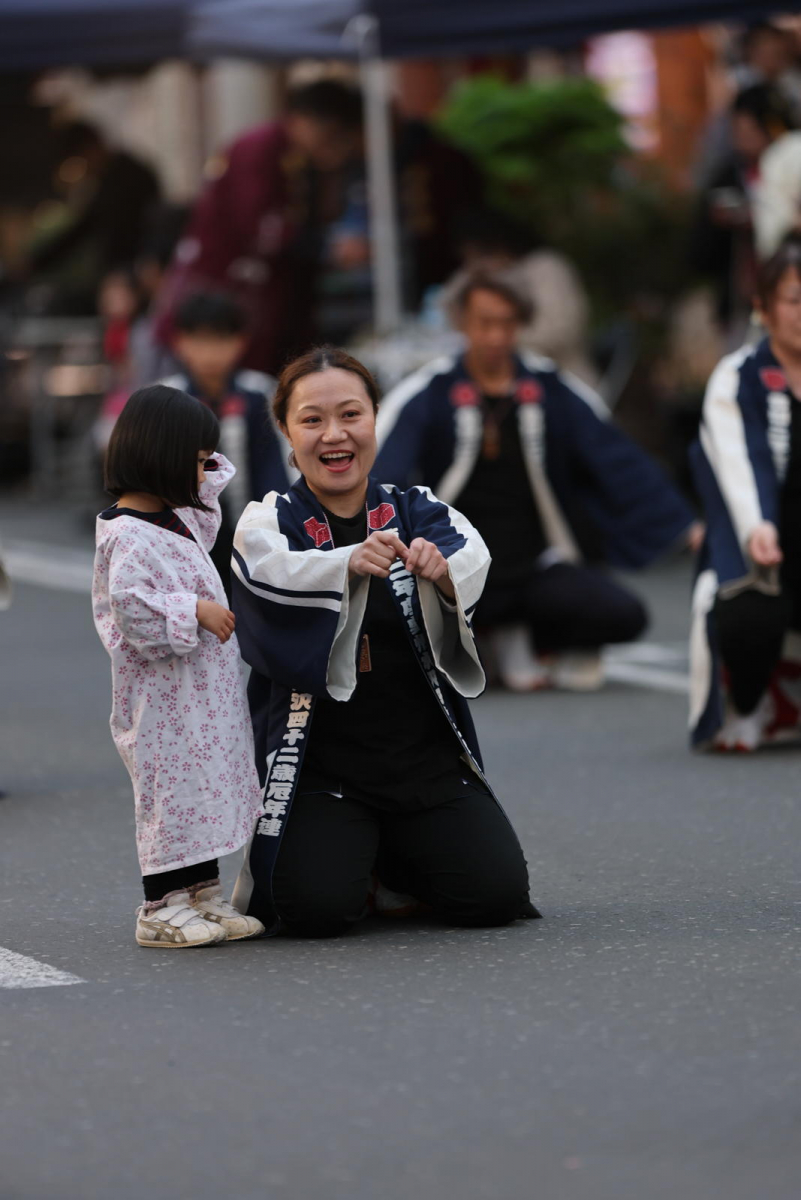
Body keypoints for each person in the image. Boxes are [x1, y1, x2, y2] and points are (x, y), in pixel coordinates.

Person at [229, 346, 537, 937]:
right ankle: (362, 858)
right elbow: (266, 580)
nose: (334, 435)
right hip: (323, 771)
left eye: (351, 414)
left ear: (375, 418)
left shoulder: (416, 508)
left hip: (421, 764)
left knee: (494, 897)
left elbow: (471, 553)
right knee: (312, 910)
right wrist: (346, 563)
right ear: (286, 433)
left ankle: (396, 856)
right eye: (312, 420)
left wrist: (441, 573)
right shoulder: (268, 521)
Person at [375, 266, 699, 692]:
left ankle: (521, 638)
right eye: (484, 323)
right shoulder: (429, 392)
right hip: (451, 567)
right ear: (461, 323)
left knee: (622, 612)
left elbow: (616, 459)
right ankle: (482, 640)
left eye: (507, 323)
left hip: (534, 568)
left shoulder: (550, 387)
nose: (496, 336)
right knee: (384, 617)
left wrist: (685, 527)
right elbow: (385, 472)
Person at [93, 385, 264, 947]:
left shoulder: (175, 519)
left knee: (206, 787)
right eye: (195, 460)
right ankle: (159, 904)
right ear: (164, 457)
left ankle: (201, 895)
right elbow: (131, 611)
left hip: (199, 695)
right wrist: (194, 609)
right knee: (171, 795)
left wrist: (206, 463)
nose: (205, 471)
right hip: (160, 704)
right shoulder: (127, 533)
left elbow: (210, 505)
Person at [154, 79, 479, 373]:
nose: (332, 152)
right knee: (217, 383)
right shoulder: (261, 149)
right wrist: (327, 246)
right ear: (306, 122)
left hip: (281, 300)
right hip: (232, 289)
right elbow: (263, 228)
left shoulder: (304, 156)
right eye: (329, 140)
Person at [689, 236, 801, 751]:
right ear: (763, 308)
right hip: (760, 554)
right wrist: (760, 528)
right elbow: (741, 460)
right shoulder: (737, 377)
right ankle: (750, 699)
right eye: (795, 300)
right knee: (752, 609)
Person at [161, 291, 290, 592]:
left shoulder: (260, 392)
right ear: (180, 343)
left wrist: (275, 524)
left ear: (240, 342)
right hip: (182, 536)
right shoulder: (165, 398)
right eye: (199, 340)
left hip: (250, 532)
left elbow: (276, 465)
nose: (210, 353)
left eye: (220, 340)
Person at [23, 121, 161, 315]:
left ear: (90, 147)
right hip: (125, 273)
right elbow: (85, 227)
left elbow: (92, 228)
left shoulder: (125, 177)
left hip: (135, 275)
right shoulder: (113, 176)